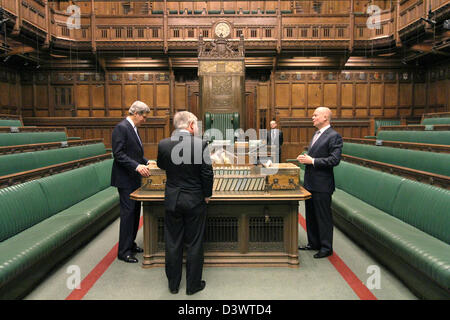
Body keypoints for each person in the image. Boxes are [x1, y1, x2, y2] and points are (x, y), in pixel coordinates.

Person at [157, 111, 214, 295]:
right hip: (194, 200)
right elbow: (207, 173)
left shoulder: (164, 144)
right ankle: (193, 286)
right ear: (190, 124)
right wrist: (207, 194)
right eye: (196, 124)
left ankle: (173, 285)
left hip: (173, 198)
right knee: (194, 243)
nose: (197, 127)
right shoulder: (201, 144)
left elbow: (161, 165)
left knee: (173, 242)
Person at [296, 107, 343, 259]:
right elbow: (314, 155)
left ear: (325, 117)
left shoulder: (334, 136)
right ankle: (313, 243)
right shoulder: (317, 134)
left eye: (315, 115)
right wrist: (306, 158)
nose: (312, 117)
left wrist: (312, 160)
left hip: (322, 184)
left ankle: (326, 247)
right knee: (310, 215)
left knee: (323, 217)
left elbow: (334, 160)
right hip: (310, 182)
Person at [111, 101, 151, 263]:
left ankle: (131, 243)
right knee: (128, 215)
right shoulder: (122, 128)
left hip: (133, 178)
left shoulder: (133, 128)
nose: (145, 120)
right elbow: (118, 154)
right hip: (125, 179)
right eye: (144, 117)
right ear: (136, 114)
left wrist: (147, 162)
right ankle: (124, 251)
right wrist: (137, 166)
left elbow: (135, 153)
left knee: (135, 213)